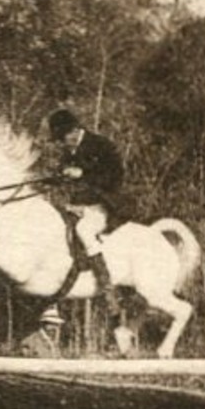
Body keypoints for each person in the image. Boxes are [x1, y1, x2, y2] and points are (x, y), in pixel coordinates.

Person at [45, 106, 125, 308]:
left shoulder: (101, 145)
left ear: (73, 131)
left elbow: (115, 176)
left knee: (84, 230)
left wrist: (82, 174)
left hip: (103, 204)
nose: (62, 143)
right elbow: (62, 176)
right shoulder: (69, 151)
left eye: (63, 138)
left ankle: (108, 289)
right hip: (77, 206)